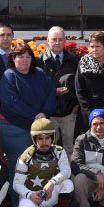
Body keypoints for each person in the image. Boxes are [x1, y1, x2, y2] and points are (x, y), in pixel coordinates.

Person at [0, 43, 56, 204]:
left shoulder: (40, 73)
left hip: (38, 126)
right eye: (20, 57)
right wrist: (35, 115)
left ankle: (38, 199)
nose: (24, 60)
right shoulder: (9, 76)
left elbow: (51, 93)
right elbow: (12, 102)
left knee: (36, 165)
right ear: (13, 58)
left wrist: (44, 113)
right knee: (19, 166)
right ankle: (18, 202)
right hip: (14, 127)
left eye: (28, 56)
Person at [14, 117, 74, 207]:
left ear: (52, 138)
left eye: (47, 138)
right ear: (34, 139)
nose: (44, 142)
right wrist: (30, 195)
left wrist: (52, 182)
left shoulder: (59, 151)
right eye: (40, 139)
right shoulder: (25, 157)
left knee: (68, 184)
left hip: (51, 194)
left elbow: (66, 171)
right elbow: (16, 184)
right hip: (32, 196)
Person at [41, 26, 80, 154]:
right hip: (49, 115)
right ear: (48, 40)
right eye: (54, 39)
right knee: (49, 149)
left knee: (71, 149)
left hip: (69, 114)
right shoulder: (39, 61)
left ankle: (71, 174)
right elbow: (37, 88)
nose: (57, 42)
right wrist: (54, 92)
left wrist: (76, 107)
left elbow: (80, 84)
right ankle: (52, 174)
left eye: (60, 39)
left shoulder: (75, 60)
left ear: (65, 40)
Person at [76, 31, 104, 124]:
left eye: (97, 46)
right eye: (92, 46)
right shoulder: (84, 62)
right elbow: (79, 90)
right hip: (89, 110)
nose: (94, 50)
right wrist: (88, 113)